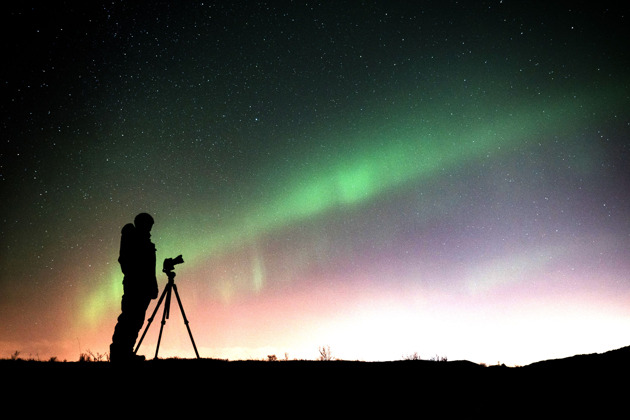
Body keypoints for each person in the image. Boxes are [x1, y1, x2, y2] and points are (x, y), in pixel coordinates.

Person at [110, 213, 159, 362]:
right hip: (135, 286)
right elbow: (126, 261)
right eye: (148, 225)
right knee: (128, 319)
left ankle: (126, 352)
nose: (150, 229)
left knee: (136, 321)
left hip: (143, 288)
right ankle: (120, 354)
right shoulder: (133, 237)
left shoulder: (144, 241)